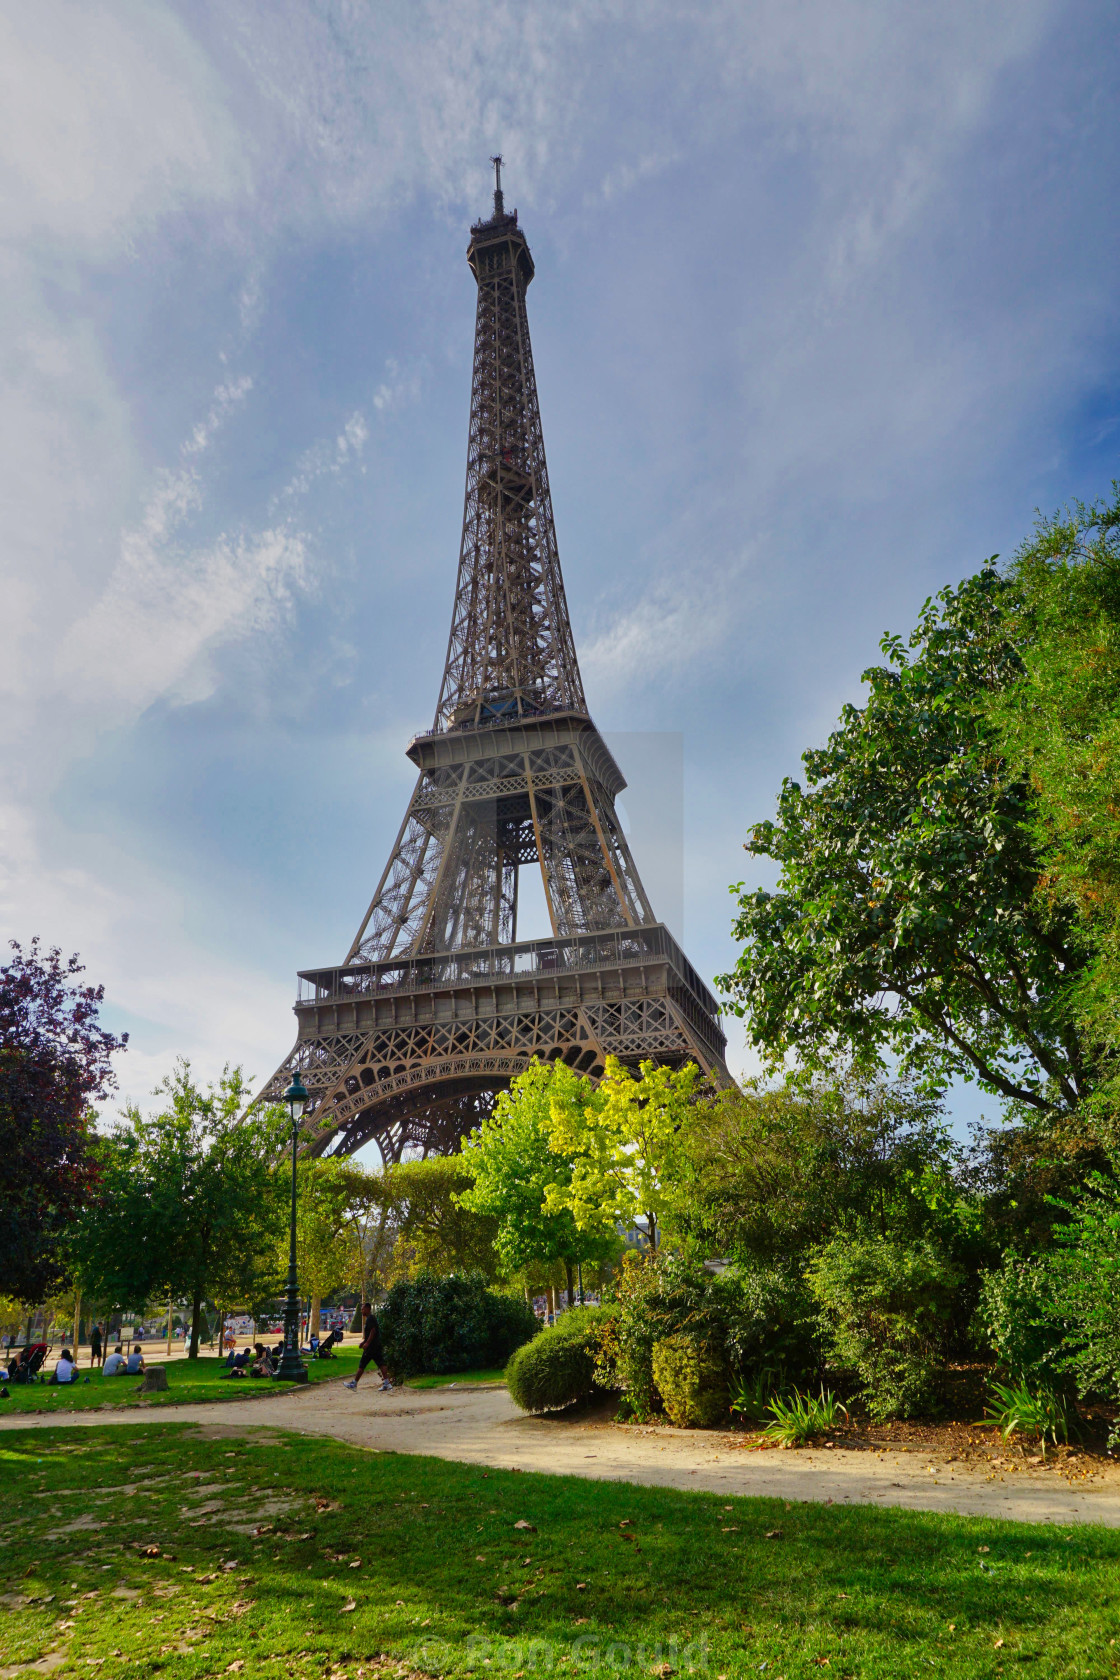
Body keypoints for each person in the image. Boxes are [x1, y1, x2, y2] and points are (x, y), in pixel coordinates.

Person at [344, 1304, 392, 1393]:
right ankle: (387, 1383)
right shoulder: (370, 1318)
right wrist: (363, 1342)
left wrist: (367, 1343)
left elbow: (373, 1331)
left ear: (367, 1309)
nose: (361, 1311)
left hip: (371, 1347)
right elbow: (371, 1333)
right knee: (381, 1363)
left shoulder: (370, 1318)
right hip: (376, 1346)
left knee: (362, 1364)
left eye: (362, 1309)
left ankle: (354, 1384)